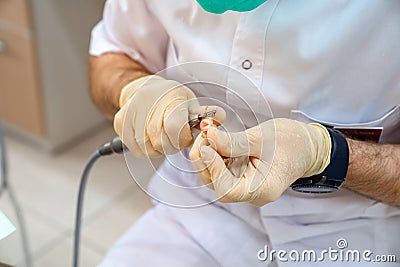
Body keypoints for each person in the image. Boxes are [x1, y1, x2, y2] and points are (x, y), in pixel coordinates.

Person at [89, 0, 400, 266]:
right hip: (198, 213)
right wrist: (130, 89)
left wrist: (328, 155)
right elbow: (113, 52)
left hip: (355, 235)